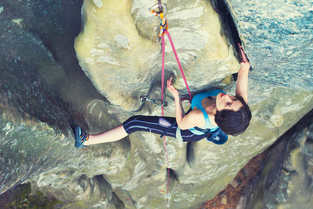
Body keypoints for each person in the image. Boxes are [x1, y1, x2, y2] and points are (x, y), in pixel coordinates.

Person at [74, 44, 251, 148]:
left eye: (228, 103)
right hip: (212, 120)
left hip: (187, 130)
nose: (228, 96)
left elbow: (182, 124)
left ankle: (87, 140)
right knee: (236, 105)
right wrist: (244, 66)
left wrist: (175, 95)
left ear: (219, 113)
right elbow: (242, 84)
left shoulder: (197, 116)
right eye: (233, 99)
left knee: (134, 123)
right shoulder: (237, 106)